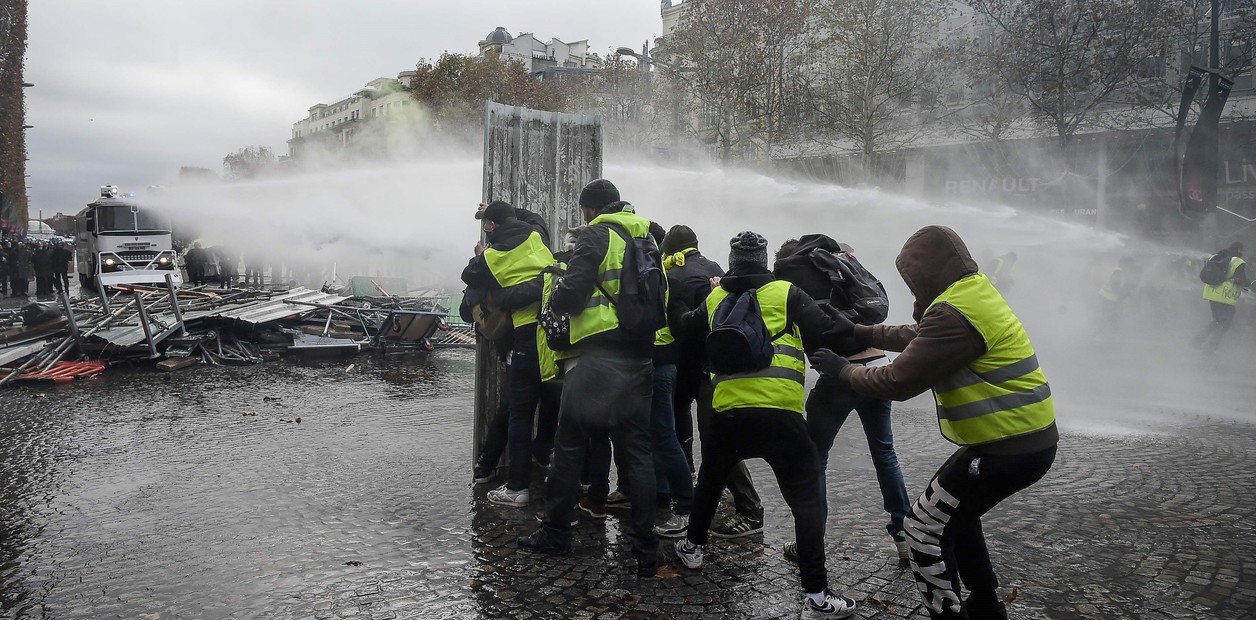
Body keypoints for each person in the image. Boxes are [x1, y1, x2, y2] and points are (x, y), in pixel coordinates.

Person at [811, 225, 1058, 620]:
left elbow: (897, 380)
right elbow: (918, 333)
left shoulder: (952, 312)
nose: (911, 288)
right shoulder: (972, 291)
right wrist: (857, 330)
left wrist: (843, 371)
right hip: (1020, 439)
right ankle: (985, 605)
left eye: (912, 280)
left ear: (926, 274)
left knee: (923, 529)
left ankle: (950, 614)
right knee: (956, 515)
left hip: (1007, 449)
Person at [673, 231, 860, 620]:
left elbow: (684, 328)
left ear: (732, 260)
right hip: (782, 415)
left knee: (710, 481)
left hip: (729, 414)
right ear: (763, 261)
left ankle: (692, 548)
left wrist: (707, 292)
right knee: (805, 501)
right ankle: (817, 595)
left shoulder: (715, 297)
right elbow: (827, 330)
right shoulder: (786, 293)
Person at [518, 178, 664, 578]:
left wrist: (558, 293)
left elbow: (572, 295)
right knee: (638, 453)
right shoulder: (648, 236)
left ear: (590, 208)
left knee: (568, 446)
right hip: (641, 356)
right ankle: (646, 550)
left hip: (599, 357)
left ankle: (556, 534)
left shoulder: (596, 234)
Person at [773, 235, 911, 562]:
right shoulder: (838, 272)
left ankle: (810, 543)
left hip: (840, 374)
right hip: (877, 363)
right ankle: (904, 535)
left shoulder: (796, 283)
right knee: (884, 452)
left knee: (815, 455)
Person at [662, 224, 766, 537]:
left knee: (712, 437)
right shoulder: (717, 271)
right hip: (723, 368)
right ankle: (712, 489)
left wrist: (678, 310)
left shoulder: (675, 277)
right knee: (718, 435)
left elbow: (684, 325)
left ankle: (746, 507)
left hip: (691, 367)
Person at [461, 200, 557, 508]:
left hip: (526, 335)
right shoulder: (536, 236)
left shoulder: (489, 258)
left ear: (490, 227)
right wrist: (502, 209)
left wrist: (481, 256)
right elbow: (535, 217)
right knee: (555, 402)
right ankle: (548, 458)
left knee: (518, 412)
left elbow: (468, 279)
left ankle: (517, 486)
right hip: (556, 332)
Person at [1197, 241, 1249, 351]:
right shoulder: (1238, 261)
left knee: (1217, 320)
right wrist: (1249, 284)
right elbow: (1240, 279)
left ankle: (1199, 338)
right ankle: (1210, 346)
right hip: (1225, 297)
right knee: (1225, 324)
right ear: (1239, 249)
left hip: (1212, 295)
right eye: (1243, 250)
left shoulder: (1217, 257)